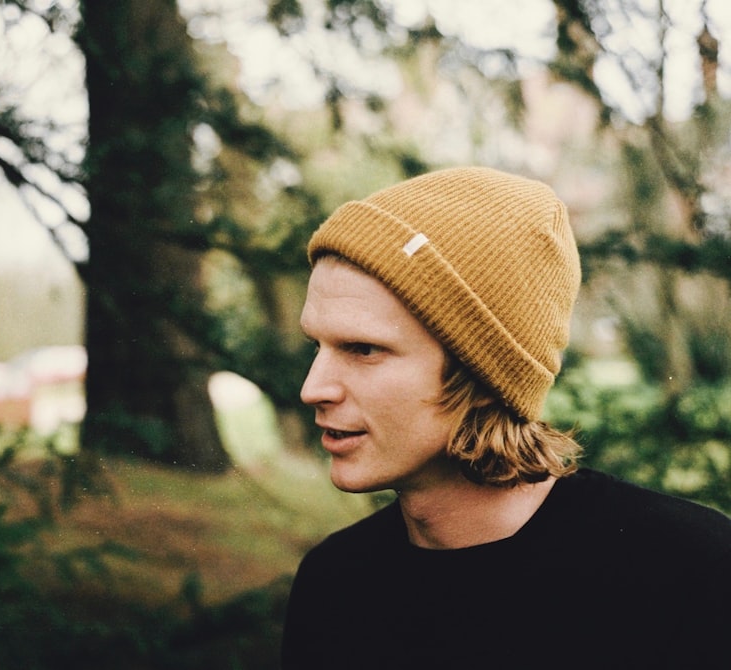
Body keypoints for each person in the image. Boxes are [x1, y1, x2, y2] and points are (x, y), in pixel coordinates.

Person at [280, 167, 731, 669]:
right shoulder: (334, 587)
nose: (312, 388)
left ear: (482, 373)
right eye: (317, 346)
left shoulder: (691, 573)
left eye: (363, 349)